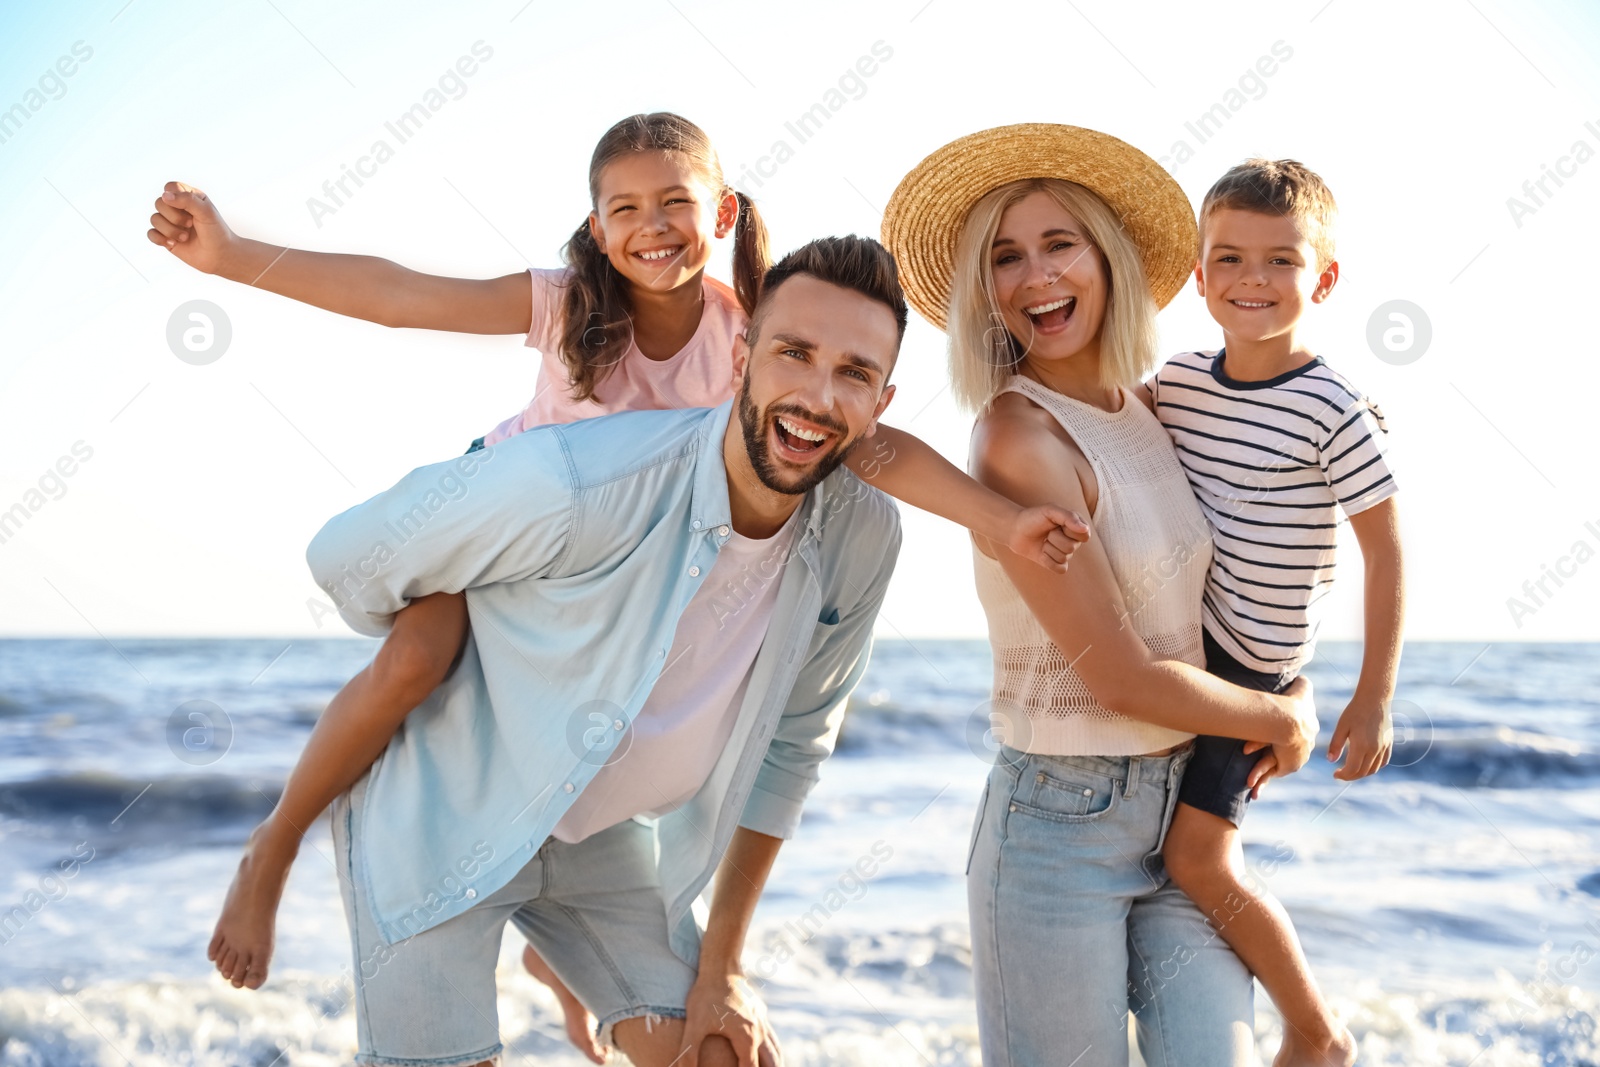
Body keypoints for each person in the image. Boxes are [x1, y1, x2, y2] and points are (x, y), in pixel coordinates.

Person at [147, 113, 1085, 1059]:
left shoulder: (743, 334)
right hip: (510, 522)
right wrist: (233, 257)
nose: (652, 226)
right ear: (596, 227)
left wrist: (1000, 521)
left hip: (628, 643)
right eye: (625, 208)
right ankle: (277, 841)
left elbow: (875, 451)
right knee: (417, 658)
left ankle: (566, 957)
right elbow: (402, 296)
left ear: (720, 213)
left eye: (675, 202)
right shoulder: (569, 309)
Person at [300, 234, 926, 1067]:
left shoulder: (862, 534)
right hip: (442, 810)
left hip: (600, 838)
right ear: (742, 355)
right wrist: (446, 629)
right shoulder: (578, 483)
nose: (817, 395)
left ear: (883, 399)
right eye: (794, 353)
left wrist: (725, 968)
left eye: (853, 372)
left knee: (722, 1053)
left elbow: (793, 743)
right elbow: (347, 555)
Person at [881, 123, 1321, 1066]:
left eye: (1058, 244)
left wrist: (1293, 684)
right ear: (985, 292)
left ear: (1107, 258)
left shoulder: (1155, 407)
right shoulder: (1018, 439)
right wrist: (1273, 720)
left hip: (1181, 817)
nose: (1035, 276)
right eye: (1006, 257)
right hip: (1057, 832)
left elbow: (1251, 574)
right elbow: (1119, 676)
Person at [1151, 158, 1403, 1067]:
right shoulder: (1178, 380)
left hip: (1251, 661)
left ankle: (1314, 1026)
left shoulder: (1334, 409)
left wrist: (1371, 695)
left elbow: (1386, 550)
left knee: (1199, 859)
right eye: (1230, 258)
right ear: (1199, 275)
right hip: (1187, 632)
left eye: (1280, 261)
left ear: (1323, 279)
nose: (1252, 280)